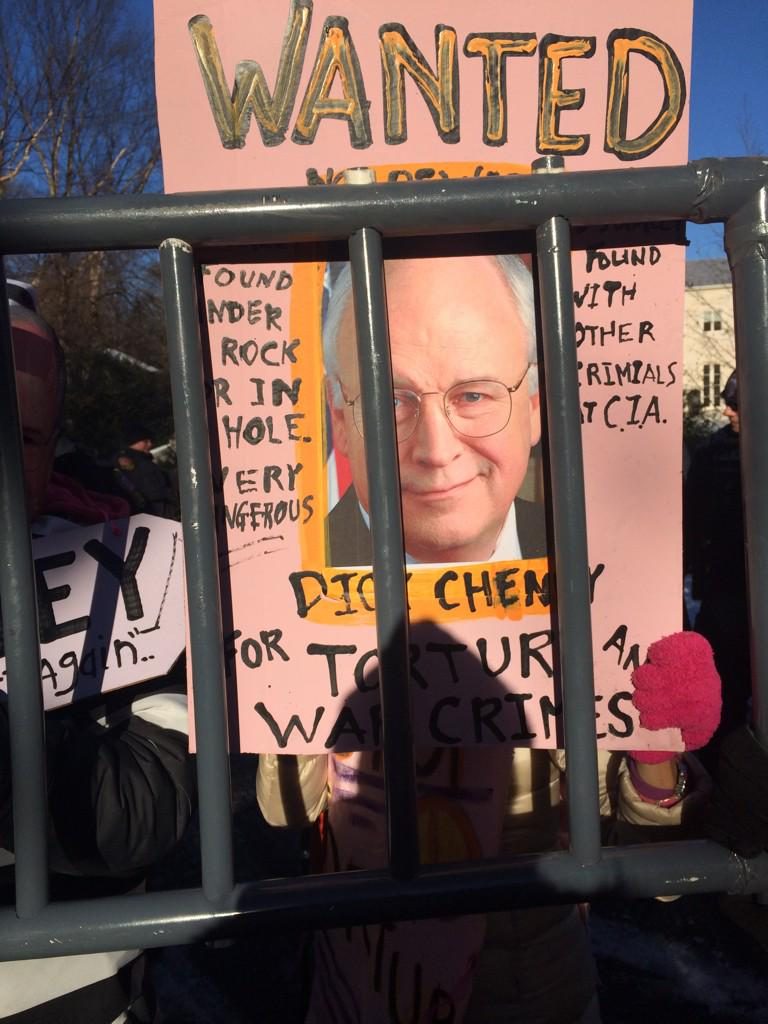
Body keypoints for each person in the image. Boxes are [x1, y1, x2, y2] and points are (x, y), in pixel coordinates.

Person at [257, 629, 721, 1024]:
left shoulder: (548, 615)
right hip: (367, 981)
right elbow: (285, 809)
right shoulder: (340, 614)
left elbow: (649, 863)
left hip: (527, 989)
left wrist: (654, 751)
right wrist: (290, 687)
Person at [0, 282, 194, 1023]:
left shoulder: (130, 570)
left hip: (72, 993)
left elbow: (149, 805)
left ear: (53, 445)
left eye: (23, 437)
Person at [323, 254, 545, 565]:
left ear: (533, 405)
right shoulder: (277, 580)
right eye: (391, 403)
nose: (437, 453)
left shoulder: (593, 555)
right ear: (339, 419)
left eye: (473, 396)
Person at [684, 369, 749, 771]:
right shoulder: (712, 453)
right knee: (722, 687)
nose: (727, 411)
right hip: (725, 589)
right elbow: (692, 517)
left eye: (736, 404)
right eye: (727, 402)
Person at [114, 423, 178, 519]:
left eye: (150, 440)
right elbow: (150, 490)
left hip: (160, 511)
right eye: (145, 441)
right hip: (156, 514)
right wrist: (172, 493)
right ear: (134, 442)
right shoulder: (132, 462)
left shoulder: (142, 459)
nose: (150, 444)